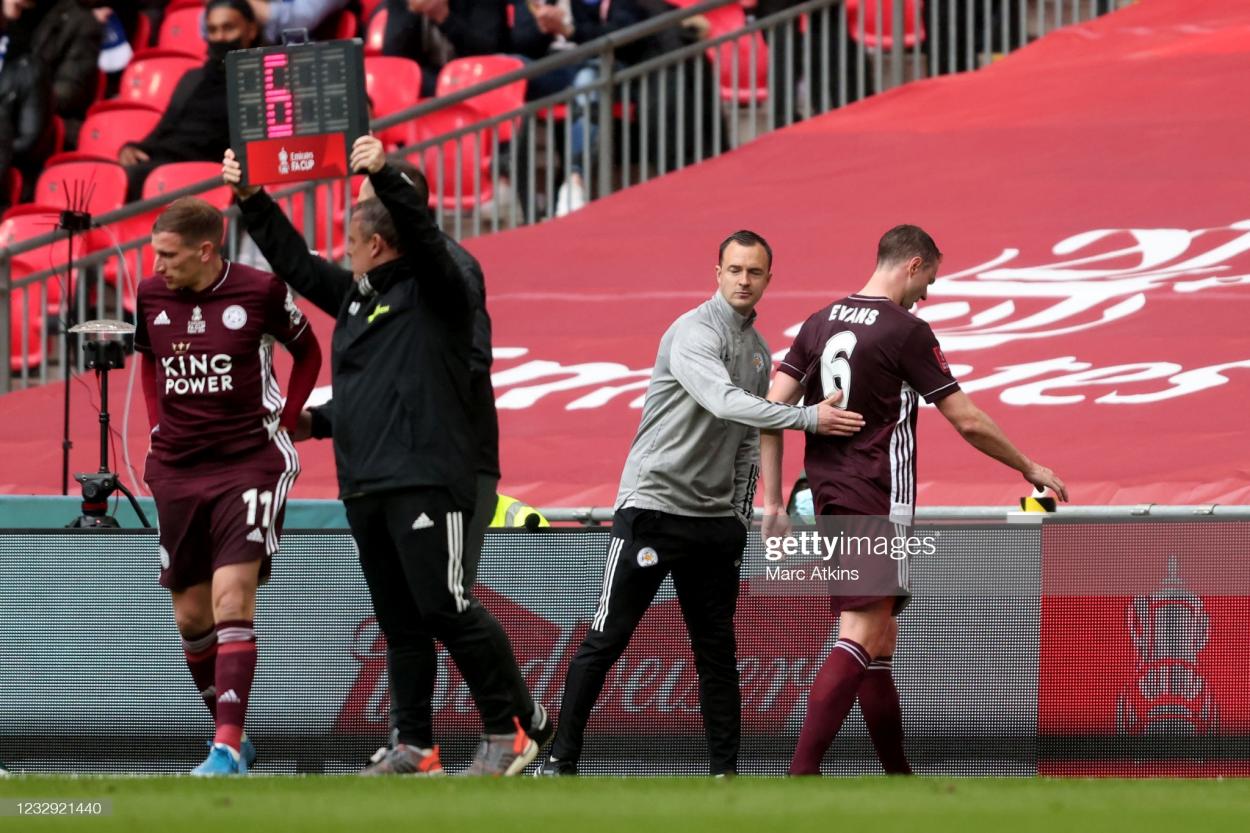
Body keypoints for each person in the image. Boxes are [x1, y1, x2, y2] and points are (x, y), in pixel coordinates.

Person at [222, 136, 550, 776]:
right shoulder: (355, 296)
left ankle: (507, 731)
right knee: (400, 623)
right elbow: (293, 261)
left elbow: (426, 243)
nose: (342, 251)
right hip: (367, 482)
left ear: (376, 242)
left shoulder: (440, 291)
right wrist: (251, 198)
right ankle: (416, 746)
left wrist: (385, 174)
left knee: (445, 605)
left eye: (350, 239)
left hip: (428, 475)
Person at [536, 230, 863, 776]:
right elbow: (723, 401)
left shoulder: (759, 354)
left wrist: (740, 515)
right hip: (654, 511)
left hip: (714, 527)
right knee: (607, 638)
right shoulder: (693, 332)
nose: (743, 280)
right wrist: (809, 417)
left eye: (754, 272)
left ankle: (723, 774)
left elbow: (743, 442)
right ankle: (560, 759)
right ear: (717, 272)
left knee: (717, 655)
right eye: (734, 269)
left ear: (767, 281)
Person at [759, 224, 1068, 775]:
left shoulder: (817, 321)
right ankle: (799, 774)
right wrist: (1029, 465)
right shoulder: (905, 330)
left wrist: (776, 501)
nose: (927, 293)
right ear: (914, 264)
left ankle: (898, 777)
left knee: (881, 639)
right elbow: (967, 420)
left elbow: (769, 411)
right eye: (930, 279)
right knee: (860, 632)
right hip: (875, 497)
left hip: (830, 495)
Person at [134, 197, 322, 775]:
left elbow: (308, 351)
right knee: (192, 619)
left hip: (249, 461)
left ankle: (225, 747)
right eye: (155, 255)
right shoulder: (150, 296)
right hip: (178, 467)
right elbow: (148, 361)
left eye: (169, 255)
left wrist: (289, 416)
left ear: (206, 250)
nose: (159, 266)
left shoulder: (260, 291)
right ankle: (230, 732)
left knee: (232, 599)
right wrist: (157, 422)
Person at [118, 0, 262, 201]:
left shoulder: (260, 80)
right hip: (163, 161)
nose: (220, 37)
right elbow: (164, 129)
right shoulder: (193, 77)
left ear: (251, 30)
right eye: (212, 30)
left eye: (228, 28)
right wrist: (133, 148)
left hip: (205, 170)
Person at [382, 0, 509, 98]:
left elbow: (487, 50)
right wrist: (414, 12)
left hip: (478, 76)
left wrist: (443, 17)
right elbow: (393, 55)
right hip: (428, 80)